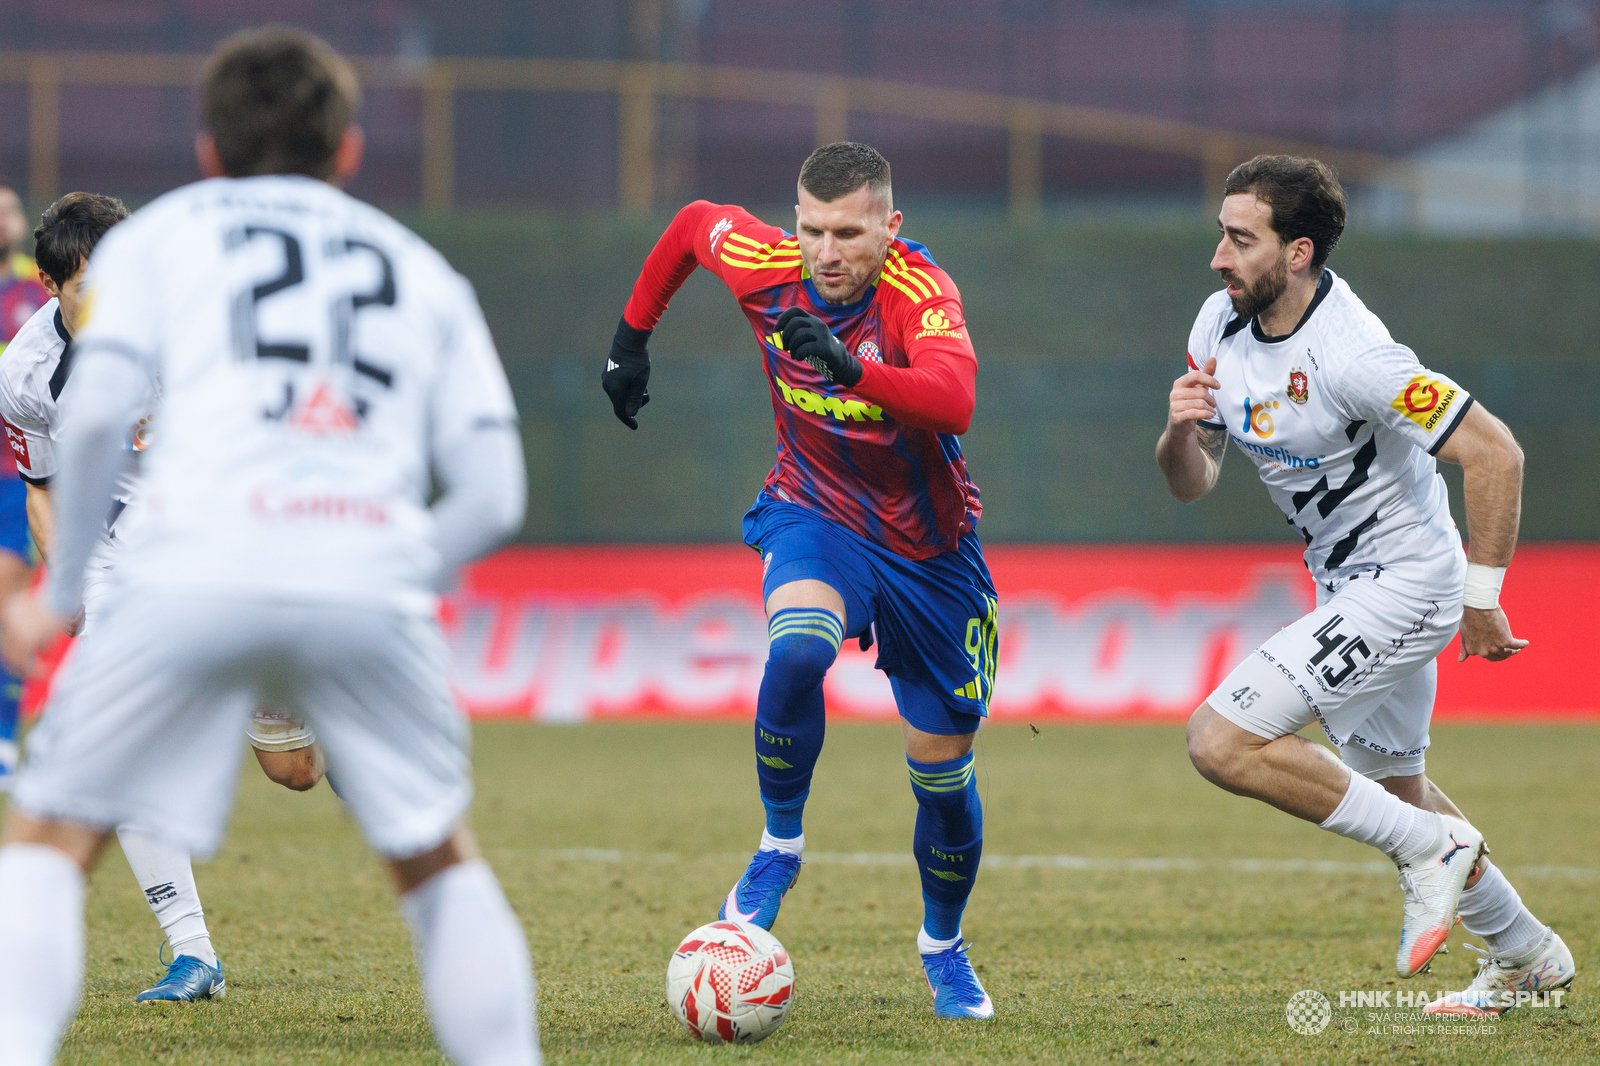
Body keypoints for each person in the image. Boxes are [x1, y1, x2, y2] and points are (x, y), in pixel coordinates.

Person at [0, 27, 538, 1066]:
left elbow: (96, 414)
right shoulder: (419, 268)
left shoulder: (164, 243)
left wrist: (56, 594)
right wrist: (396, 577)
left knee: (54, 834)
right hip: (356, 567)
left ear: (208, 151)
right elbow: (493, 492)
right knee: (439, 863)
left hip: (183, 566)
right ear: (350, 150)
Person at [1157, 155, 1572, 1015]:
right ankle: (1527, 954)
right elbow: (1192, 483)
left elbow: (1496, 453)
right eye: (1221, 234)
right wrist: (1177, 434)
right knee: (1391, 789)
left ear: (1298, 252)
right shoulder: (1219, 322)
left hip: (1409, 582)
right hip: (1344, 583)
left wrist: (1482, 598)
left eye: (1241, 239)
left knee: (1220, 741)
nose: (1218, 256)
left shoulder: (1356, 357)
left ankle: (1432, 851)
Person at [604, 142, 996, 1019]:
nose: (827, 252)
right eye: (813, 230)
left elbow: (955, 398)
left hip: (930, 556)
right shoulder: (768, 265)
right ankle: (779, 844)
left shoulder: (921, 294)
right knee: (798, 650)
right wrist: (631, 342)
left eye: (849, 233)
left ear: (890, 228)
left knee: (942, 779)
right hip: (814, 512)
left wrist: (852, 368)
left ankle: (942, 946)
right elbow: (691, 227)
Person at [0, 190, 333, 1002]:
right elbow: (42, 487)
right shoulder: (24, 373)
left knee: (293, 770)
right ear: (51, 284)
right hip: (118, 565)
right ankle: (194, 954)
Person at [0, 179, 49, 792]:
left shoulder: (36, 295)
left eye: (10, 210)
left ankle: (6, 737)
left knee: (6, 601)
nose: (3, 220)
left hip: (14, 476)